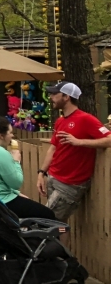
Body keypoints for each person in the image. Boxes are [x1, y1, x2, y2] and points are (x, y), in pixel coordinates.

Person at [37, 81, 111, 223]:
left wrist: (79, 142)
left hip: (70, 184)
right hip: (54, 178)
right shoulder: (60, 121)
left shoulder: (86, 119)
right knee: (59, 225)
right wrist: (41, 173)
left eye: (54, 94)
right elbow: (53, 148)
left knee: (46, 221)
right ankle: (62, 247)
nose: (50, 97)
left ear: (66, 97)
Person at [0, 116, 55, 220]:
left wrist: (16, 193)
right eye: (10, 132)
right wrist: (16, 161)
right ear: (1, 135)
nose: (12, 136)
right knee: (49, 215)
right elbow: (16, 183)